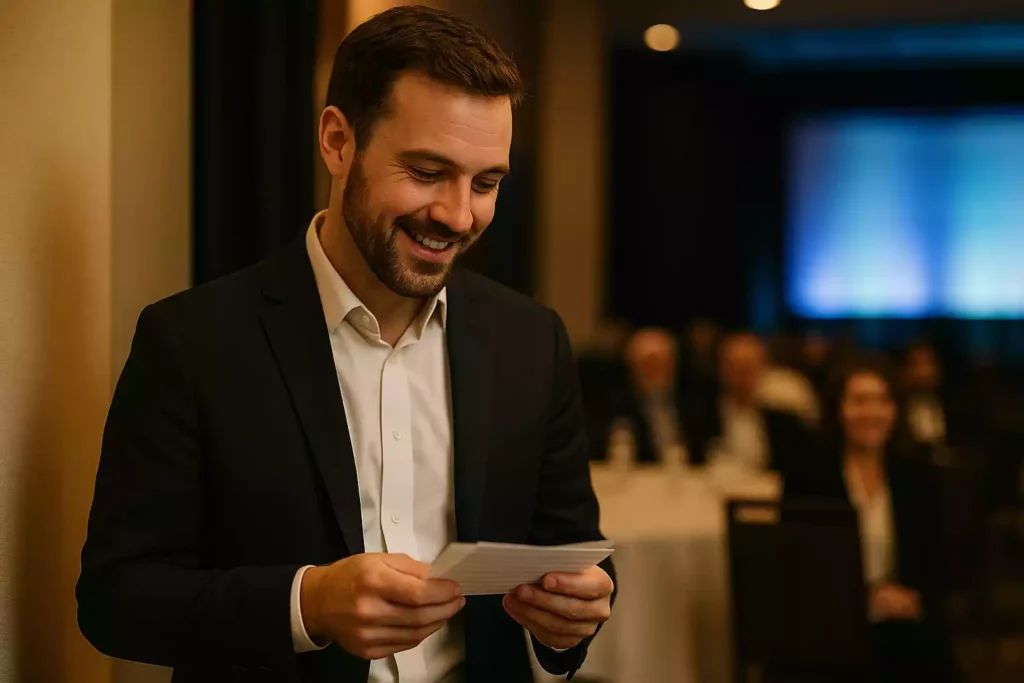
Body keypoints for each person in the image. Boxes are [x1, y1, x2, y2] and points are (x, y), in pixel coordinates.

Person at [76, 7, 614, 683]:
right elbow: (115, 599)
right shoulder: (192, 341)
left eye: (486, 183)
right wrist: (308, 604)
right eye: (425, 171)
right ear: (337, 141)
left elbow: (572, 551)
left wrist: (579, 608)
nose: (457, 214)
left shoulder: (532, 341)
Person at [782, 357, 957, 683]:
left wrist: (913, 598)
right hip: (831, 622)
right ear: (838, 409)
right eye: (859, 401)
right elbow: (798, 566)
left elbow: (941, 561)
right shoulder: (809, 473)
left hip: (905, 619)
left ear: (895, 410)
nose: (871, 413)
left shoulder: (916, 473)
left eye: (882, 401)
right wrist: (863, 598)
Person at [687, 333, 810, 471]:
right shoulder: (700, 415)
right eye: (735, 367)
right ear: (720, 369)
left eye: (748, 368)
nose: (741, 377)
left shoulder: (783, 417)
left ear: (763, 369)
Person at [599, 327, 688, 463]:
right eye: (650, 363)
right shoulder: (613, 407)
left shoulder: (691, 404)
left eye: (665, 363)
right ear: (633, 367)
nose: (659, 371)